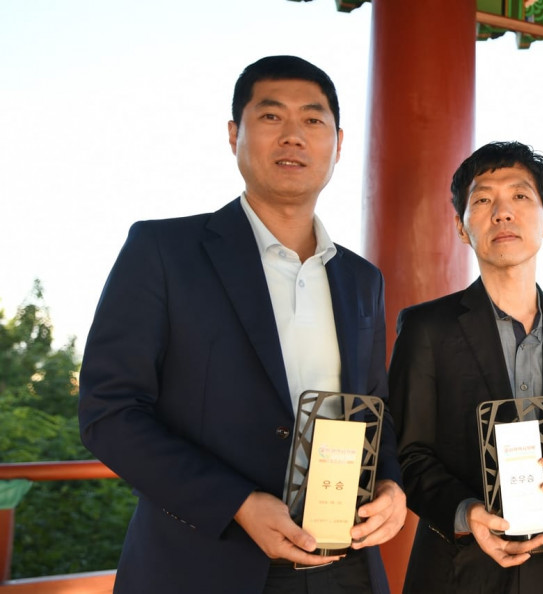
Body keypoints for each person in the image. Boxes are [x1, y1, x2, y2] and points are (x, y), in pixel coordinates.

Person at [78, 55, 406, 594]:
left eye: (313, 120)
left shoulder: (361, 279)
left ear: (339, 143)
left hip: (344, 564)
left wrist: (391, 482)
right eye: (271, 117)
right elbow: (109, 412)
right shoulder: (163, 251)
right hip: (204, 561)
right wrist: (237, 503)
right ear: (235, 134)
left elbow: (376, 409)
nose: (293, 135)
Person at [388, 141, 543, 593]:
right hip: (461, 569)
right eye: (483, 200)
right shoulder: (426, 328)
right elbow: (409, 452)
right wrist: (465, 513)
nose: (502, 213)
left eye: (520, 196)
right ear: (462, 227)